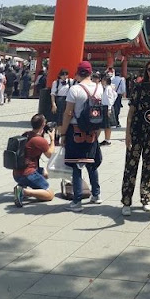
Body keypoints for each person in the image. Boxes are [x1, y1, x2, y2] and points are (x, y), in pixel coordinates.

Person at [60, 61, 104, 212]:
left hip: (76, 129)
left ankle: (77, 200)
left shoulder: (75, 89)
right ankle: (96, 194)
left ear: (78, 72)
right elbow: (105, 111)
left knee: (77, 165)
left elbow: (68, 113)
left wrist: (63, 132)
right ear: (91, 73)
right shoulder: (99, 88)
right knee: (91, 163)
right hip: (93, 130)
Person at [121, 59, 150, 215]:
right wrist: (127, 133)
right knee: (131, 166)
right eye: (149, 69)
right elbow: (130, 113)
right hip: (137, 131)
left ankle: (146, 197)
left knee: (148, 166)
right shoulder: (138, 87)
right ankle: (126, 201)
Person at [13, 114, 55, 207]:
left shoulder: (26, 134)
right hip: (28, 174)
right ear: (43, 125)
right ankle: (24, 191)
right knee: (50, 194)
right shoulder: (39, 140)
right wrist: (52, 139)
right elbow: (50, 155)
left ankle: (22, 185)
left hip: (17, 173)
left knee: (46, 173)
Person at [50, 69, 72, 143]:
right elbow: (53, 94)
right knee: (58, 120)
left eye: (66, 75)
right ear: (60, 75)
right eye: (63, 75)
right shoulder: (56, 83)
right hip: (59, 100)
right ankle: (57, 136)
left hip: (68, 100)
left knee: (66, 118)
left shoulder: (70, 82)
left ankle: (64, 136)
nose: (65, 76)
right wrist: (53, 104)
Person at [99, 75, 117, 146]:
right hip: (106, 106)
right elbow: (115, 95)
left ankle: (108, 139)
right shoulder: (108, 88)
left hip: (107, 107)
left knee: (108, 125)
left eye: (103, 80)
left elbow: (110, 98)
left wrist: (109, 107)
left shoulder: (108, 88)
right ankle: (107, 139)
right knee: (106, 125)